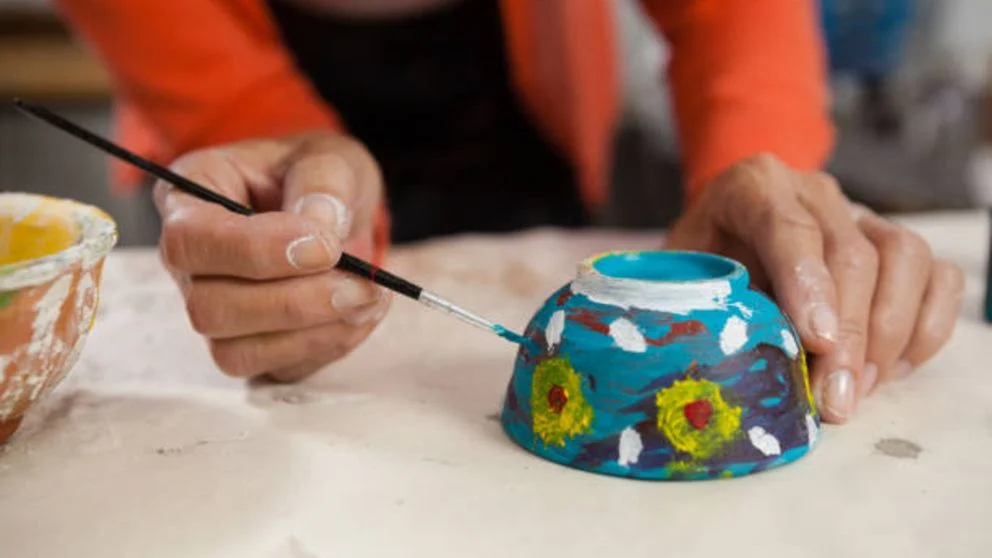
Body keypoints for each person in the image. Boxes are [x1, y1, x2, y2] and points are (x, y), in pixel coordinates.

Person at [53, 0, 963, 424]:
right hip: (248, 171)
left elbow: (732, 16)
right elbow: (239, 119)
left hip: (527, 146)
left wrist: (759, 179)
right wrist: (293, 219)